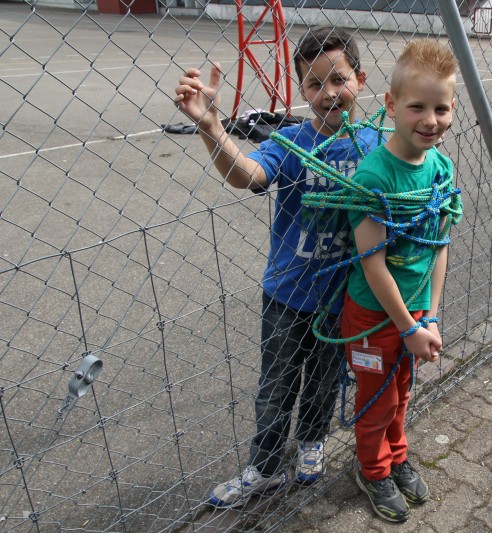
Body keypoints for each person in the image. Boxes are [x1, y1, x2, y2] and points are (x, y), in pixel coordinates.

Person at [174, 27, 379, 508]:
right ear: (301, 89)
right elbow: (247, 174)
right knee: (276, 387)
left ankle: (311, 442)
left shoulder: (376, 145)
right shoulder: (290, 141)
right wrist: (211, 128)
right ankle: (265, 468)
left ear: (361, 80)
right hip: (287, 295)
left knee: (325, 382)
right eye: (314, 83)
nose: (328, 93)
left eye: (339, 79)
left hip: (344, 297)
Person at [340, 39, 458, 523]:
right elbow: (373, 264)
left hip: (414, 315)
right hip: (374, 315)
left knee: (402, 391)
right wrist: (408, 327)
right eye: (417, 107)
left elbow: (439, 245)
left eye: (441, 108)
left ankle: (396, 457)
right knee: (377, 399)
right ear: (390, 105)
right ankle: (372, 470)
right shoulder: (374, 177)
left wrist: (429, 315)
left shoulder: (441, 168)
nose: (430, 120)